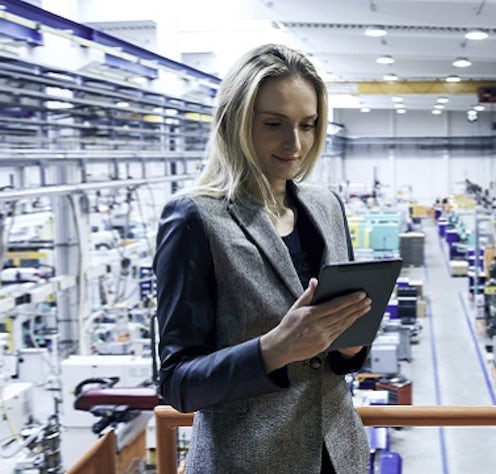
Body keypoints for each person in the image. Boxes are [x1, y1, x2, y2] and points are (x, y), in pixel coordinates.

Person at [153, 44, 372, 473]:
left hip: (339, 454)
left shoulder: (326, 206)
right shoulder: (195, 219)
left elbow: (330, 359)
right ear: (236, 123)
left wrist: (350, 346)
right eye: (275, 124)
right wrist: (272, 350)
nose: (295, 144)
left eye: (307, 125)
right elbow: (178, 383)